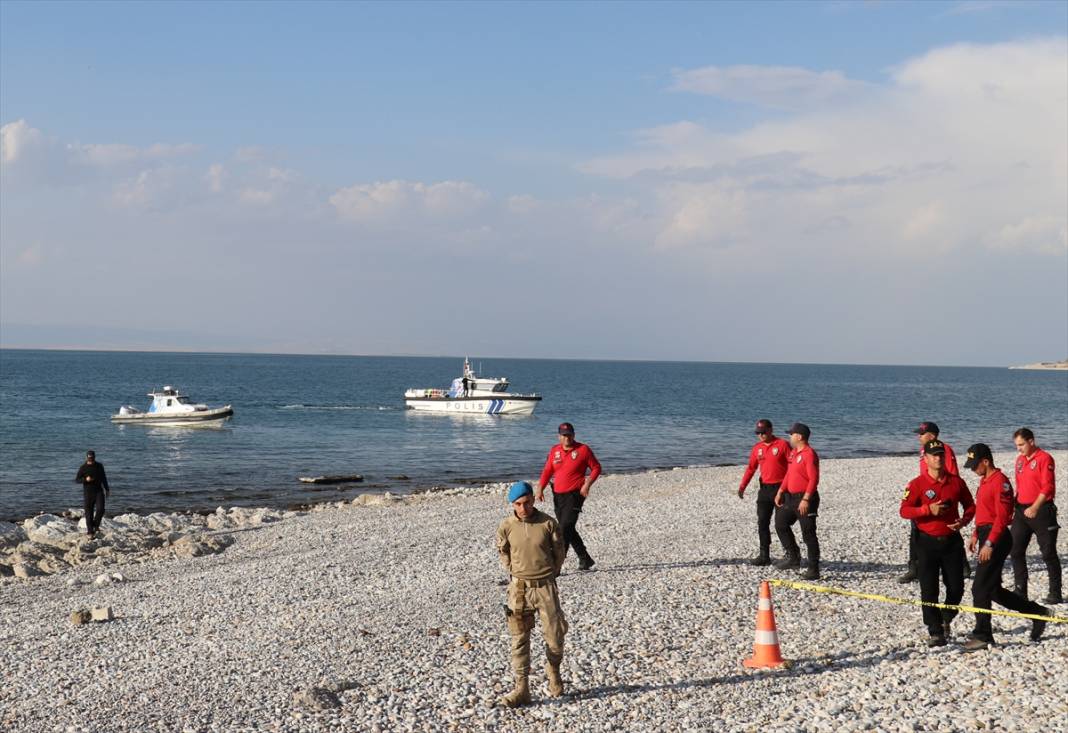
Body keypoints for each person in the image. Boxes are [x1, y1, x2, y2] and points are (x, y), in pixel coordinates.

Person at [961, 444, 1048, 651]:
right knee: (993, 590)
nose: (973, 470)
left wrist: (989, 543)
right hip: (986, 533)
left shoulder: (1001, 483)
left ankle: (983, 635)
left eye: (975, 465)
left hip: (997, 537)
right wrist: (975, 534)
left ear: (986, 461)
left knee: (979, 588)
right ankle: (1037, 613)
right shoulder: (984, 481)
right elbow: (984, 512)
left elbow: (1002, 517)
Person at [496, 481, 568, 707]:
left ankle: (553, 670)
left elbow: (560, 553)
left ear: (532, 500)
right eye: (517, 504)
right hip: (519, 589)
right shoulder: (506, 526)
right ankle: (521, 688)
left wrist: (549, 574)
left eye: (526, 503)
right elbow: (503, 551)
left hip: (545, 586)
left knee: (555, 637)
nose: (522, 508)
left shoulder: (548, 523)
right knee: (519, 639)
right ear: (512, 504)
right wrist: (515, 572)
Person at [899, 440, 975, 647]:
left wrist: (964, 521)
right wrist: (926, 510)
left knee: (956, 587)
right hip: (926, 543)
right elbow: (904, 511)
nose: (938, 458)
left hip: (951, 541)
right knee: (929, 588)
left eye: (941, 454)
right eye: (934, 455)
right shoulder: (916, 484)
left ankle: (946, 617)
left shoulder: (956, 482)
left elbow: (970, 505)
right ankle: (935, 631)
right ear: (926, 459)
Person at [899, 421, 963, 583]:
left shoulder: (944, 450)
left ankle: (962, 566)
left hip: (940, 496)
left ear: (932, 436)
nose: (918, 437)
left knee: (949, 531)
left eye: (922, 434)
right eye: (919, 433)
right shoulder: (923, 451)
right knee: (916, 531)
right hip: (924, 495)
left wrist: (949, 500)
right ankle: (914, 568)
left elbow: (953, 475)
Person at [536, 422, 602, 571]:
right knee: (569, 528)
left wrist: (587, 484)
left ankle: (556, 565)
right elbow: (547, 470)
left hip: (575, 494)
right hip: (558, 495)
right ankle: (585, 559)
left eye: (569, 435)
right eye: (564, 435)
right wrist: (540, 488)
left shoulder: (583, 450)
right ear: (559, 436)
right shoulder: (554, 450)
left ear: (574, 435)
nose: (567, 438)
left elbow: (596, 468)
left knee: (564, 528)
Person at [1009, 428, 1061, 604]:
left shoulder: (1044, 458)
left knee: (1048, 554)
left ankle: (1055, 592)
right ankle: (1020, 591)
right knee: (1015, 550)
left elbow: (1048, 488)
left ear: (1031, 441)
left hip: (1041, 511)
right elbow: (1020, 486)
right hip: (1021, 512)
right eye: (1016, 445)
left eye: (1021, 444)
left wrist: (1035, 506)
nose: (1019, 449)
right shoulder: (1020, 461)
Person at [737, 419, 791, 566]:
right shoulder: (757, 448)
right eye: (758, 433)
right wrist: (742, 486)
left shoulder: (782, 445)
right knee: (762, 522)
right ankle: (764, 555)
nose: (761, 435)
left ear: (771, 430)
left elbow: (792, 467)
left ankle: (791, 554)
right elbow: (751, 468)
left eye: (763, 432)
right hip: (765, 489)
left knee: (781, 523)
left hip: (781, 488)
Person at [773, 423, 821, 580]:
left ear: (799, 436)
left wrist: (806, 499)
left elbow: (814, 479)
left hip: (806, 498)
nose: (789, 437)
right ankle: (793, 557)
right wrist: (780, 491)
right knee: (781, 524)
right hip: (790, 497)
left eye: (791, 434)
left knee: (808, 533)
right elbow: (789, 474)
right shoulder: (794, 453)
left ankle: (813, 569)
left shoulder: (809, 454)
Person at [74, 450, 110, 537]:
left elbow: (103, 478)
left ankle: (96, 525)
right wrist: (85, 480)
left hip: (99, 491)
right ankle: (90, 532)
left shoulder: (99, 466)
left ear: (94, 457)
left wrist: (107, 489)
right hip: (88, 493)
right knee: (88, 513)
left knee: (101, 509)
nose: (91, 459)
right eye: (89, 458)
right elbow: (77, 480)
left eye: (92, 458)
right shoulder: (83, 467)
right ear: (87, 457)